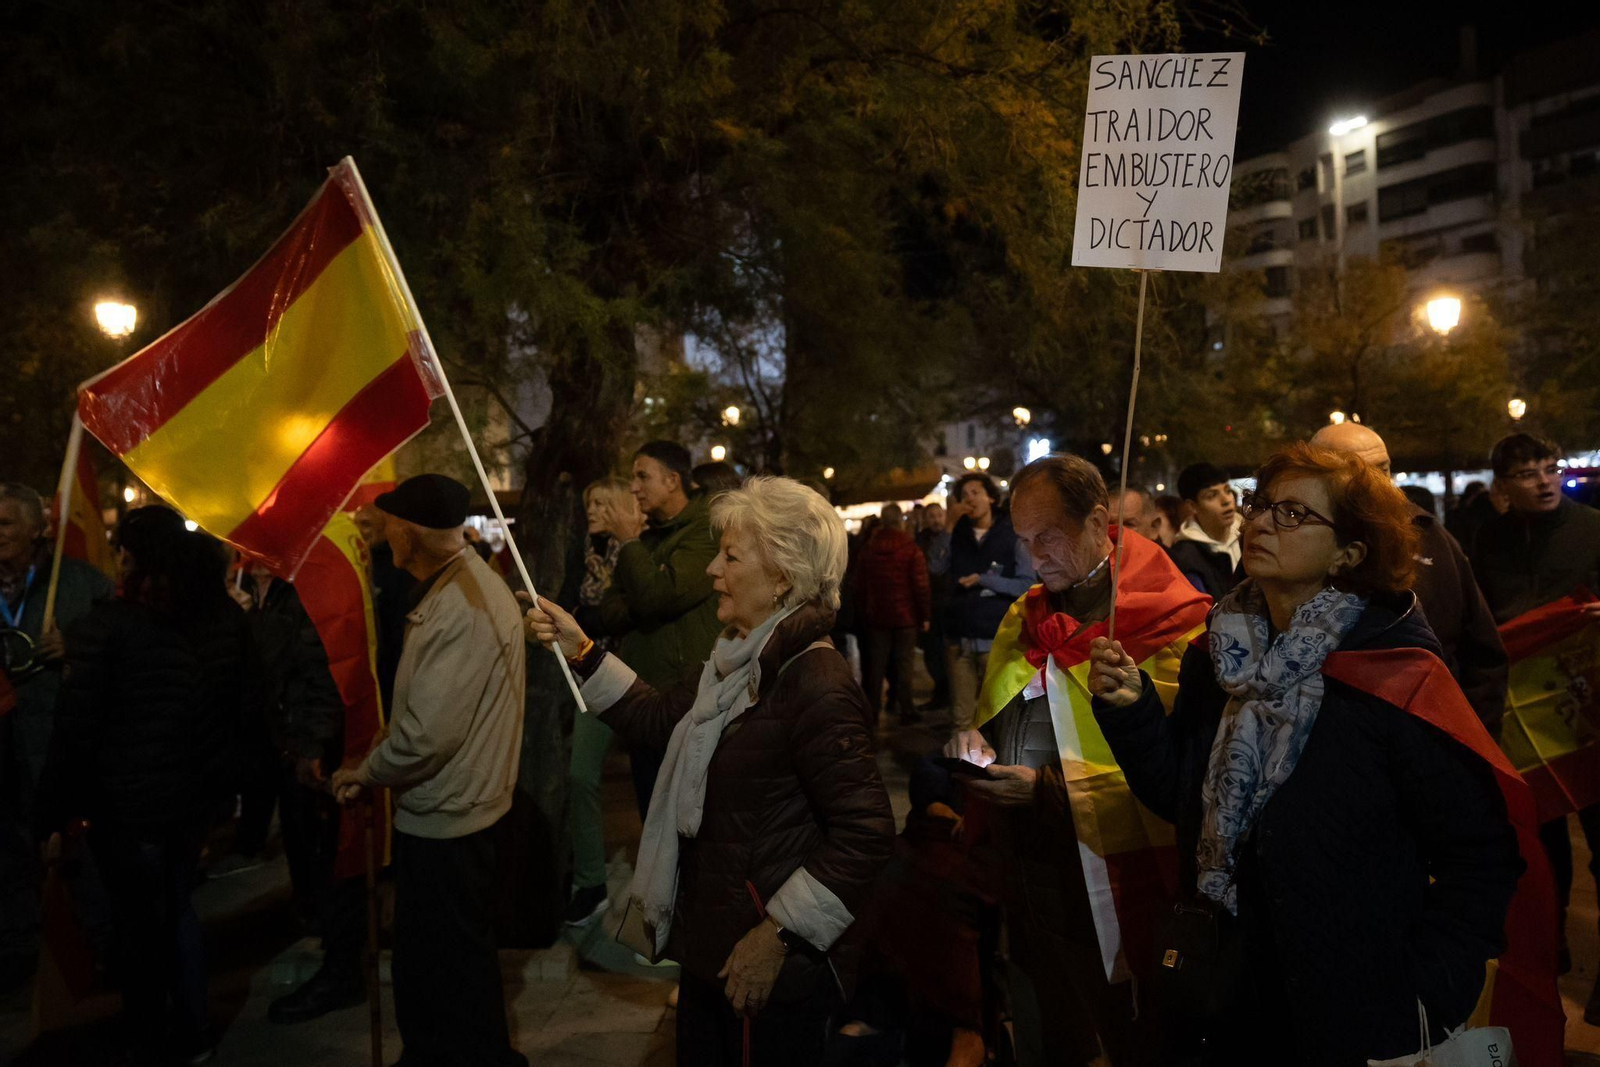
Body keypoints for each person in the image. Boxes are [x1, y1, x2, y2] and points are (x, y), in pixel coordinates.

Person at [1087, 444, 1533, 1065]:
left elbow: (1479, 857)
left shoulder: (1392, 676)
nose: (1261, 522)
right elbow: (1181, 800)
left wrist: (1429, 987)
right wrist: (1132, 711)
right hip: (1229, 999)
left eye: (1294, 514)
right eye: (1262, 504)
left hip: (1355, 1012)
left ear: (1350, 552)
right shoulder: (1215, 660)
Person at [524, 476, 895, 1066]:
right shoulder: (736, 660)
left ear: (782, 577)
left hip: (763, 962)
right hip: (713, 944)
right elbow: (655, 716)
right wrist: (582, 649)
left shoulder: (814, 683)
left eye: (730, 557)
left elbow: (867, 831)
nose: (711, 572)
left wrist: (775, 935)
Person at [942, 454, 1211, 1067]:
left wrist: (1044, 788)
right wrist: (978, 746)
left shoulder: (1175, 626)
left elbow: (1180, 778)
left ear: (1097, 520)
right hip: (1028, 868)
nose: (1034, 560)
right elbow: (1001, 713)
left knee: (1127, 1031)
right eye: (1025, 541)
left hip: (1119, 881)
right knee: (1050, 1025)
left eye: (1049, 538)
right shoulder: (1026, 614)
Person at [36, 507, 248, 1066]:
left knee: (138, 926)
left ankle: (151, 1037)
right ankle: (195, 1031)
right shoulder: (220, 617)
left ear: (131, 557)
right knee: (178, 911)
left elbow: (76, 731)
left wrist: (53, 815)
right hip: (192, 798)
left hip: (128, 808)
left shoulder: (109, 629)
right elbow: (240, 705)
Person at [331, 474, 528, 1067]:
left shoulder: (461, 606)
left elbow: (427, 736)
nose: (380, 533)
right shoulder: (452, 588)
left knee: (443, 963)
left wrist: (367, 772)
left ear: (409, 532)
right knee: (449, 960)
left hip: (451, 818)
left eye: (386, 523)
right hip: (456, 810)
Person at [1471, 432, 1600, 1006]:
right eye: (1527, 474)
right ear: (1502, 488)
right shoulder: (1488, 541)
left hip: (1586, 712)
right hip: (1521, 722)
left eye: (1549, 468)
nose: (1545, 480)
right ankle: (1551, 948)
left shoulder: (1592, 529)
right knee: (1541, 844)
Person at [1310, 423, 1508, 731]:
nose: (1379, 485)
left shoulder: (1429, 536)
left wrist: (1472, 738)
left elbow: (1482, 653)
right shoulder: (1288, 545)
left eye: (1383, 469)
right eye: (1359, 474)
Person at [243, 563, 369, 1023]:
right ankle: (333, 950)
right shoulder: (267, 591)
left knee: (331, 857)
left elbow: (320, 669)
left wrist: (313, 745)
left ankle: (342, 971)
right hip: (290, 742)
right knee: (315, 858)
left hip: (314, 750)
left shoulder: (302, 586)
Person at [0, 482, 114, 983]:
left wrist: (76, 650)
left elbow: (124, 655)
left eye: (4, 523)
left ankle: (107, 956)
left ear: (37, 528)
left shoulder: (82, 584)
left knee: (82, 857)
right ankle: (19, 958)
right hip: (6, 749)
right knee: (10, 856)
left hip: (63, 745)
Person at [595, 441, 723, 817]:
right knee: (651, 815)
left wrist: (630, 545)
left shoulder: (704, 532)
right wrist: (646, 591)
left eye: (642, 476)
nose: (633, 487)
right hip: (644, 699)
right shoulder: (650, 537)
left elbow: (654, 597)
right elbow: (610, 610)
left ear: (672, 480)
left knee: (685, 819)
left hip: (684, 699)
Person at [563, 478, 644, 928]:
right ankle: (591, 882)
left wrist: (588, 619)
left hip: (634, 677)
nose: (591, 508)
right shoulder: (583, 553)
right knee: (580, 775)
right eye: (588, 500)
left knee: (652, 781)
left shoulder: (634, 550)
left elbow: (631, 610)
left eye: (600, 501)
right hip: (591, 678)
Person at [938, 473, 1035, 730]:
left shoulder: (1011, 535)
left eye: (975, 492)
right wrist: (948, 525)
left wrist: (985, 580)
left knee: (998, 712)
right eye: (963, 495)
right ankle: (965, 768)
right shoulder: (957, 533)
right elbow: (935, 567)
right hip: (960, 638)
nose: (969, 499)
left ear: (991, 497)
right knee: (961, 717)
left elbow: (1027, 584)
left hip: (997, 637)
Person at [855, 504, 931, 726]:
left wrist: (864, 611)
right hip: (905, 617)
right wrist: (924, 614)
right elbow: (920, 585)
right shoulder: (910, 547)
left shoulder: (869, 548)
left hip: (877, 617)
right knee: (904, 664)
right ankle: (906, 708)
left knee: (876, 665)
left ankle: (873, 709)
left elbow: (859, 585)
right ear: (900, 519)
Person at [1168, 463, 1243, 600]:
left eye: (1227, 490)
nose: (1226, 500)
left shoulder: (1249, 534)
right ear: (1192, 506)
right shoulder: (1186, 557)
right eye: (1211, 496)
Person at [916, 503, 953, 712]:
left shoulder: (952, 537)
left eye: (939, 515)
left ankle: (947, 691)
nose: (936, 520)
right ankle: (940, 689)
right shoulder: (921, 541)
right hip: (931, 603)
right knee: (932, 651)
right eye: (931, 516)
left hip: (948, 602)